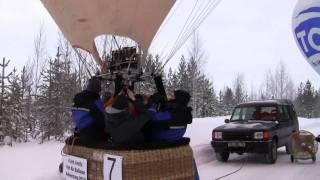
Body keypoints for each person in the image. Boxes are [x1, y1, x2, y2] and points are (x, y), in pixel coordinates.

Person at [71, 77, 108, 146]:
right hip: (91, 135)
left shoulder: (77, 99)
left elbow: (75, 115)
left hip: (79, 131)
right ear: (97, 89)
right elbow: (102, 119)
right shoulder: (95, 100)